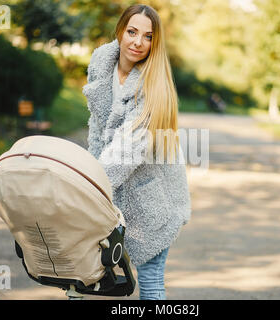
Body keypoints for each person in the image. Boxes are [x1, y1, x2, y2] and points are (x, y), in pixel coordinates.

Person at [82, 4, 191, 300]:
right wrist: (84, 172)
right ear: (120, 30)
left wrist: (88, 184)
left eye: (147, 36)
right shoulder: (102, 67)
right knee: (86, 279)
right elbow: (96, 129)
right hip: (115, 194)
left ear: (155, 42)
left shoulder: (155, 87)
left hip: (154, 199)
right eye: (132, 32)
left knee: (151, 281)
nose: (137, 42)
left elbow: (129, 151)